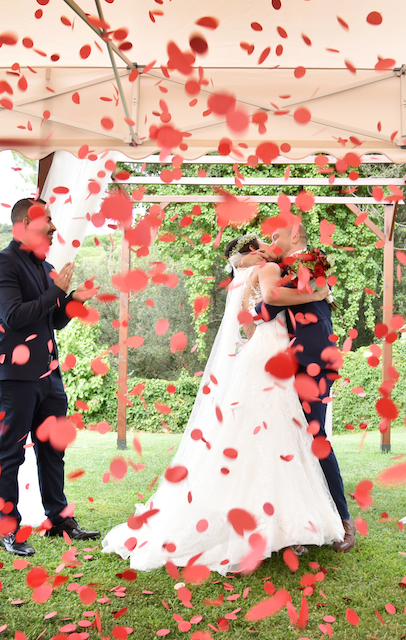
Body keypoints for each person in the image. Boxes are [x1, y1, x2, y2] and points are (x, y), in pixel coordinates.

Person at [101, 234, 343, 574]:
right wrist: (318, 291)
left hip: (270, 355)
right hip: (272, 358)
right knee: (278, 439)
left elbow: (254, 314)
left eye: (266, 242)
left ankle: (283, 525)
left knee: (262, 440)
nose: (264, 247)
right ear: (248, 255)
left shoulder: (245, 277)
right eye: (258, 245)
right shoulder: (270, 268)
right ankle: (285, 526)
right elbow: (271, 301)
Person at [0, 198, 99, 557]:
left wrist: (71, 302)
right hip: (14, 376)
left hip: (49, 376)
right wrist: (56, 293)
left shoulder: (46, 266)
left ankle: (59, 519)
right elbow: (15, 316)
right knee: (10, 454)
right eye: (47, 220)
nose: (53, 228)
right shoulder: (0, 263)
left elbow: (50, 321)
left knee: (53, 451)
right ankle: (9, 529)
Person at [256, 222, 355, 553]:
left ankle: (343, 520)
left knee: (316, 440)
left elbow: (272, 302)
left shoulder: (311, 261)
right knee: (288, 440)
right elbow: (270, 304)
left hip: (313, 363)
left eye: (275, 236)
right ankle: (295, 526)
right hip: (293, 365)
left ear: (294, 232)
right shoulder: (291, 271)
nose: (272, 243)